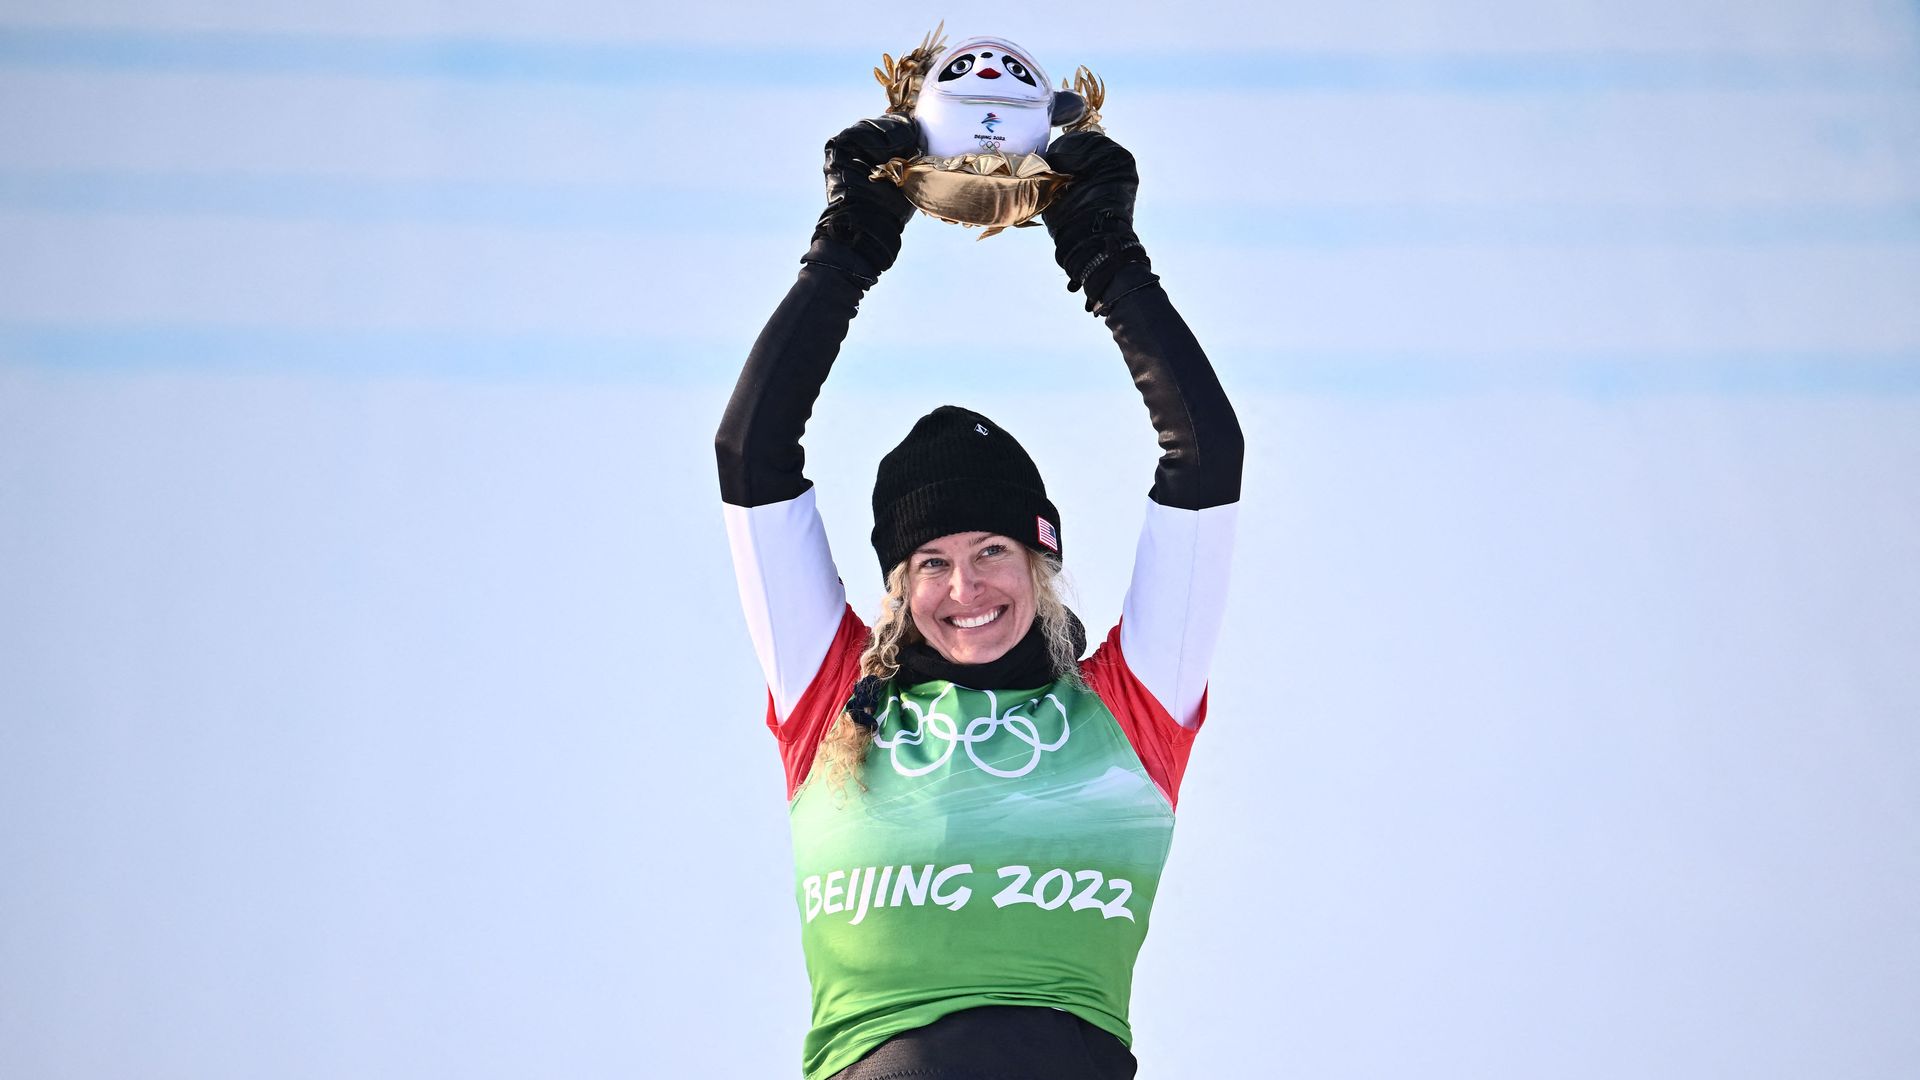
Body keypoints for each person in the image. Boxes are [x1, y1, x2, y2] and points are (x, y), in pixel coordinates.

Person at [715, 112, 1243, 1080]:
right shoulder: (831, 705)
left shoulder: (1131, 709)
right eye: (929, 562)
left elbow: (1205, 462)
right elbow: (750, 459)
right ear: (898, 586)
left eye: (992, 548)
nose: (965, 587)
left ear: (1041, 560)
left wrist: (1106, 257)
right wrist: (849, 247)